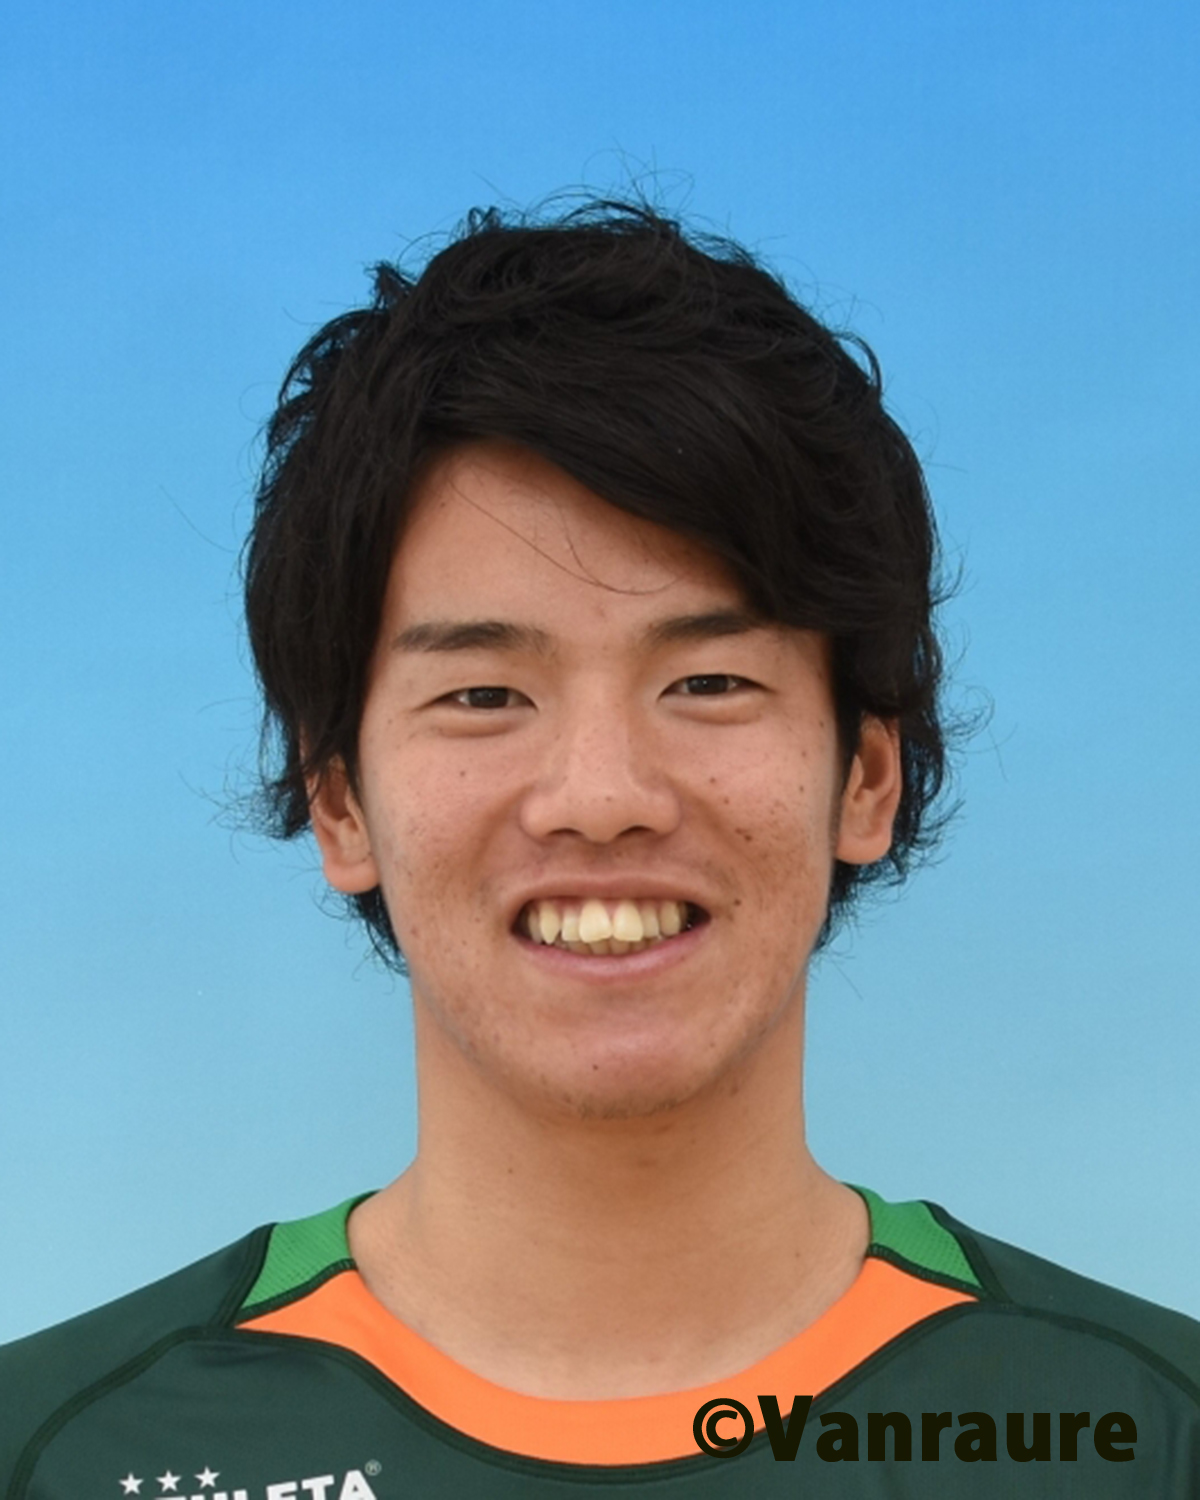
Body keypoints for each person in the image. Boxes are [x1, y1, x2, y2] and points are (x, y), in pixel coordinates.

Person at [2, 198, 1196, 1496]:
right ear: (337, 799)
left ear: (867, 773)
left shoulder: (1137, 1436)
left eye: (709, 683)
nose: (602, 796)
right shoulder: (58, 1454)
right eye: (484, 695)